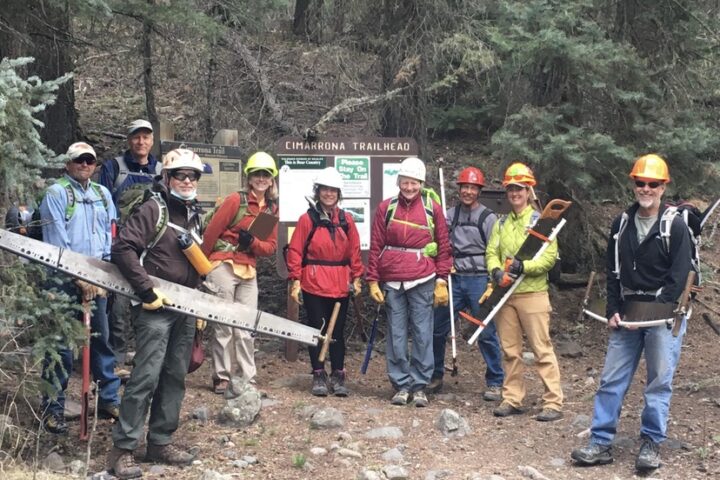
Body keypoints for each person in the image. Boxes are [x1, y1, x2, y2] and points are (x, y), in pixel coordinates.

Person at [571, 154, 692, 471]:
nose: (646, 189)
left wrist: (656, 310)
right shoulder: (621, 224)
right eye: (641, 183)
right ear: (634, 184)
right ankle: (600, 441)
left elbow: (679, 277)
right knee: (611, 379)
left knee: (658, 382)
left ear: (663, 187)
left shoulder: (674, 227)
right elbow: (613, 271)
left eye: (653, 184)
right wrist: (613, 309)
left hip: (662, 316)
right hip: (627, 312)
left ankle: (651, 444)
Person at [107, 148, 205, 478]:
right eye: (181, 175)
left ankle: (160, 441)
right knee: (145, 377)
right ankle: (123, 449)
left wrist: (200, 304)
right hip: (155, 309)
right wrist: (146, 291)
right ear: (167, 178)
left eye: (193, 175)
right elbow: (123, 248)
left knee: (175, 375)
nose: (188, 180)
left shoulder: (194, 214)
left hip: (186, 307)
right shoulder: (154, 209)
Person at [39, 142, 120, 434]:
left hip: (97, 281)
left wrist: (105, 278)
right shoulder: (56, 193)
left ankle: (109, 399)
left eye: (90, 160)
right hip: (62, 279)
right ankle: (53, 409)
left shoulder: (103, 194)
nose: (85, 164)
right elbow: (55, 242)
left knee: (101, 340)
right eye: (79, 160)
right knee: (61, 346)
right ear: (68, 163)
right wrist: (78, 277)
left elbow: (110, 237)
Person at [366, 157, 451, 407]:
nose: (409, 187)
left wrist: (442, 280)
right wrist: (372, 280)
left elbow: (444, 247)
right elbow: (376, 245)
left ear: (421, 183)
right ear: (399, 182)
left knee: (423, 333)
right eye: (405, 182)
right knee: (396, 334)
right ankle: (401, 384)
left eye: (414, 183)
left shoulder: (432, 208)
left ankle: (420, 385)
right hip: (393, 279)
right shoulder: (386, 208)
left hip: (422, 278)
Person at [485, 162, 563, 422]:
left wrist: (524, 266)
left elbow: (549, 258)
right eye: (511, 189)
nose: (515, 194)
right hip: (506, 294)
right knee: (510, 350)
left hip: (533, 294)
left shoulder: (541, 222)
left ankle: (553, 401)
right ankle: (512, 398)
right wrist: (496, 271)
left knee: (542, 349)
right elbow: (491, 251)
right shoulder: (502, 221)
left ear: (529, 191)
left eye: (520, 189)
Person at [201, 151, 280, 394]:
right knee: (224, 323)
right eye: (257, 174)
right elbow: (212, 233)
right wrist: (202, 267)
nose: (261, 178)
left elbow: (269, 247)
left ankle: (247, 375)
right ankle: (222, 376)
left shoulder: (269, 209)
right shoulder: (237, 200)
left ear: (272, 179)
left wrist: (252, 243)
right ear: (249, 176)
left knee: (245, 325)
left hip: (248, 268)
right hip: (222, 263)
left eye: (266, 175)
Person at [286, 167, 364, 397]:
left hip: (340, 284)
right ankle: (318, 373)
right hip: (314, 283)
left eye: (333, 190)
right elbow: (295, 251)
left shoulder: (347, 220)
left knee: (337, 332)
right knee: (317, 330)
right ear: (318, 191)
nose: (329, 194)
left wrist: (357, 277)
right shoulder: (307, 219)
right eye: (325, 189)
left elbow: (355, 251)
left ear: (338, 193)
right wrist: (295, 280)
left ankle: (338, 374)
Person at [430, 167, 504, 400]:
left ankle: (495, 380)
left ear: (478, 191)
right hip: (453, 278)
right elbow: (439, 241)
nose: (468, 192)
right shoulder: (449, 215)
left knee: (485, 330)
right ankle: (435, 374)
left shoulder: (488, 218)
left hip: (479, 279)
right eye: (465, 187)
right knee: (437, 327)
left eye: (473, 188)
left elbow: (496, 251)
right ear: (459, 189)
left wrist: (493, 281)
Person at [99, 119, 160, 377]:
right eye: (136, 137)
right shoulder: (114, 167)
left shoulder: (160, 169)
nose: (141, 142)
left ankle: (146, 358)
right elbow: (103, 204)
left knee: (150, 300)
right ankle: (117, 360)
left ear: (152, 140)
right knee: (119, 305)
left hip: (153, 246)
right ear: (129, 140)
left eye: (145, 137)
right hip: (122, 245)